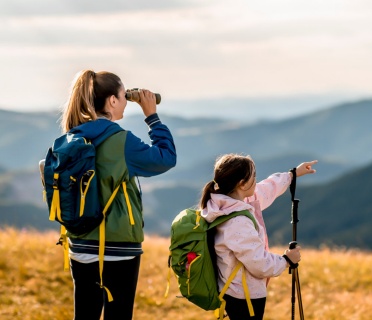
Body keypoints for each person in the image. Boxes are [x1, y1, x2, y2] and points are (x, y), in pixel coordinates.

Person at [44, 70, 176, 319]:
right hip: (119, 247)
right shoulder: (121, 141)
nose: (126, 100)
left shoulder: (71, 137)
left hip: (79, 243)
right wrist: (152, 117)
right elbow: (166, 158)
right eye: (122, 95)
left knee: (85, 314)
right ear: (113, 101)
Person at [199, 154, 317, 320]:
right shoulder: (237, 221)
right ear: (242, 183)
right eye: (253, 176)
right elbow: (258, 263)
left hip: (234, 289)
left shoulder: (228, 202)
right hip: (243, 295)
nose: (256, 179)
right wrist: (287, 260)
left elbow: (267, 189)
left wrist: (292, 174)